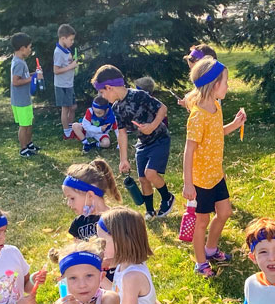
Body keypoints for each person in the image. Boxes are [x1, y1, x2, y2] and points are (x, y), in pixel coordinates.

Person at [182, 57, 246, 278]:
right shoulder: (197, 117)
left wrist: (235, 124)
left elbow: (218, 132)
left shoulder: (216, 106)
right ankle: (200, 262)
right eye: (226, 82)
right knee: (202, 222)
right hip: (200, 181)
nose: (228, 86)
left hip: (216, 175)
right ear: (214, 84)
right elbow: (189, 151)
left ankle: (210, 249)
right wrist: (188, 184)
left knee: (225, 212)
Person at [92, 65, 176, 220]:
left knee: (150, 173)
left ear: (109, 87)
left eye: (102, 92)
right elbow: (122, 133)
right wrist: (123, 159)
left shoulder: (139, 96)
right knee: (143, 178)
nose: (102, 96)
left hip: (159, 139)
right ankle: (150, 210)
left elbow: (162, 108)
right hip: (143, 143)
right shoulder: (116, 107)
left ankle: (167, 198)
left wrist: (151, 126)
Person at [96, 207, 167, 304]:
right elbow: (117, 291)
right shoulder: (125, 266)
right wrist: (99, 278)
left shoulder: (131, 277)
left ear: (121, 241)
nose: (99, 246)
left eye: (103, 242)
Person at [62, 159, 121, 241]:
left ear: (90, 195)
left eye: (72, 198)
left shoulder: (117, 220)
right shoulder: (78, 223)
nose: (69, 203)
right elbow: (76, 251)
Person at [9, 33, 39, 158]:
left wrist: (34, 74)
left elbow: (24, 76)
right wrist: (32, 78)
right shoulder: (19, 63)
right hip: (21, 101)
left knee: (29, 122)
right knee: (24, 125)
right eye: (29, 47)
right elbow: (15, 82)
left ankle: (29, 144)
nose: (30, 50)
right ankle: (23, 148)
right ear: (22, 48)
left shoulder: (20, 61)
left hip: (24, 99)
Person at [52, 23, 79, 140]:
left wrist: (72, 63)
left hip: (69, 84)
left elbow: (67, 64)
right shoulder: (58, 52)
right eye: (71, 39)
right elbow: (56, 70)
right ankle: (67, 132)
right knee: (66, 108)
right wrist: (71, 66)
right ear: (63, 38)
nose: (72, 42)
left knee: (73, 107)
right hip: (62, 85)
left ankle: (71, 127)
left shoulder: (66, 50)